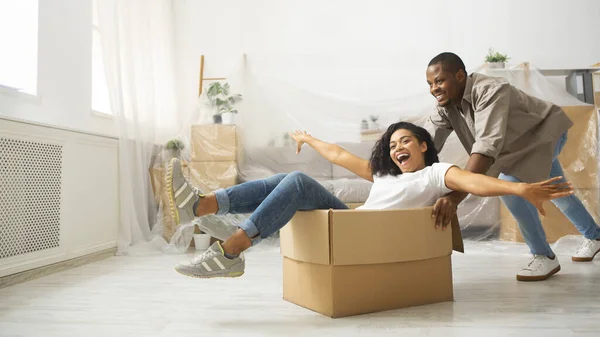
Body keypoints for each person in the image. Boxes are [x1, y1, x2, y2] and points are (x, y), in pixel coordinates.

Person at [166, 122, 572, 279]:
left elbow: (473, 180)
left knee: (295, 181)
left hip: (366, 239)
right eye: (393, 144)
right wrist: (307, 139)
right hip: (351, 227)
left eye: (406, 142)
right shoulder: (384, 174)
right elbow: (340, 156)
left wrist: (519, 188)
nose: (398, 149)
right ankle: (203, 204)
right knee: (287, 180)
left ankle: (232, 249)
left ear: (424, 146)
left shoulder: (435, 172)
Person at [424, 52, 600, 281]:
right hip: (513, 150)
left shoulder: (490, 90)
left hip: (541, 136)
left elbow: (486, 147)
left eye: (439, 81)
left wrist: (455, 197)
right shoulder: (445, 106)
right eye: (430, 84)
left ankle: (543, 257)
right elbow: (424, 144)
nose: (434, 88)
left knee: (509, 189)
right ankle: (594, 236)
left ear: (459, 76)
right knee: (554, 191)